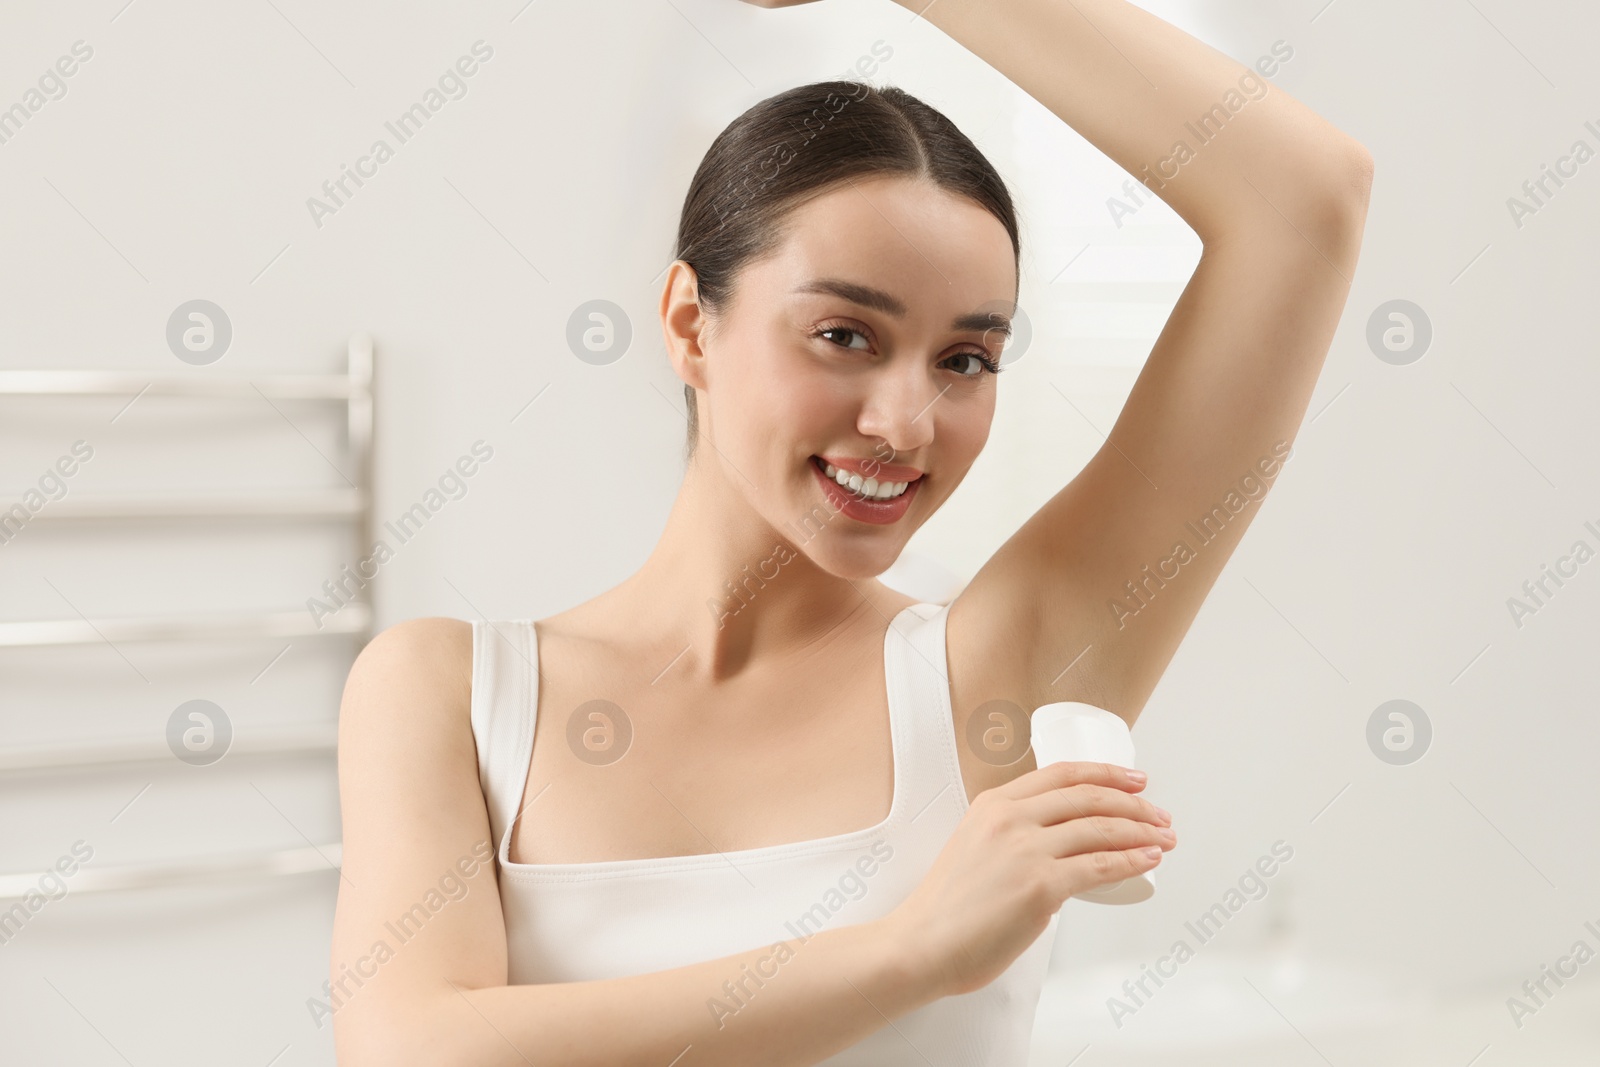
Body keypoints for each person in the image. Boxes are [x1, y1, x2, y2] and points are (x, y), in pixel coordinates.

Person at [329, 0, 1372, 1063]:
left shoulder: (994, 673)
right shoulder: (447, 693)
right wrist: (911, 950)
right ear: (692, 322)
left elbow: (1302, 201)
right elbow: (410, 1047)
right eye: (844, 335)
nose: (905, 421)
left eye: (965, 358)